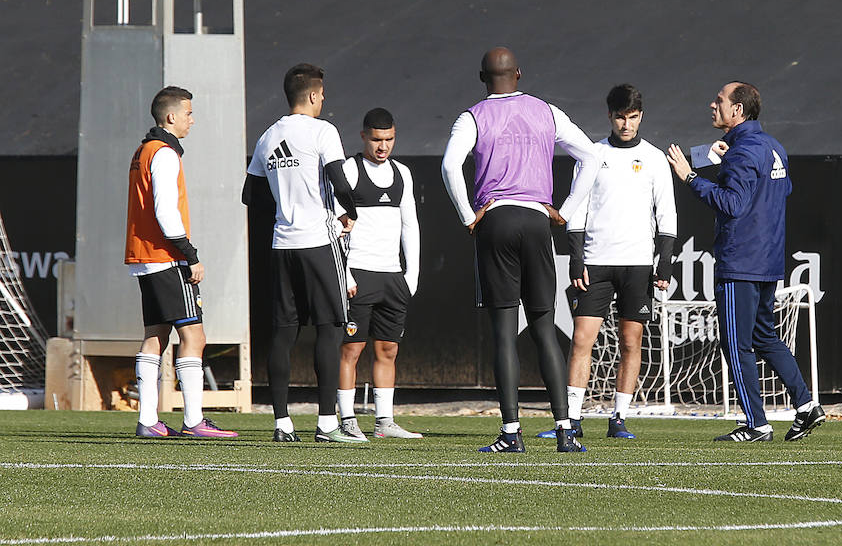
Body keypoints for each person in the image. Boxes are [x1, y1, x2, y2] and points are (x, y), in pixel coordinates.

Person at [442, 47, 600, 453]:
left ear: (482, 78)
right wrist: (564, 211)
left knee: (503, 333)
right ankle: (565, 430)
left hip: (495, 220)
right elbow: (591, 157)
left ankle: (511, 432)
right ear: (520, 74)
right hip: (535, 220)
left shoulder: (472, 116)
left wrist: (467, 215)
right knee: (545, 329)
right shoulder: (546, 111)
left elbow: (449, 166)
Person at [666, 81, 825, 442]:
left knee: (736, 344)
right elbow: (780, 191)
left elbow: (732, 204)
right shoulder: (773, 147)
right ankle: (805, 405)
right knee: (766, 336)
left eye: (720, 101)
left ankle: (756, 423)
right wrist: (708, 155)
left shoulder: (741, 153)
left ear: (737, 110)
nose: (713, 104)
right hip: (768, 259)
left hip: (741, 261)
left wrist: (690, 177)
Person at [536, 84, 676, 441]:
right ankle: (571, 420)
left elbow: (667, 214)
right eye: (619, 117)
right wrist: (576, 258)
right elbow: (577, 208)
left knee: (632, 341)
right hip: (596, 263)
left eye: (632, 117)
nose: (625, 124)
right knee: (582, 339)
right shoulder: (591, 155)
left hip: (638, 264)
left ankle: (619, 419)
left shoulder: (655, 158)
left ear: (640, 116)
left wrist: (665, 264)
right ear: (609, 116)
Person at [243, 63, 364, 443]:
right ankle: (328, 424)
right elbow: (340, 181)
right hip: (318, 243)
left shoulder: (268, 136)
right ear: (313, 95)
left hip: (283, 245)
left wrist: (285, 207)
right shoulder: (322, 131)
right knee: (329, 329)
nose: (323, 99)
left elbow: (250, 196)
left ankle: (282, 424)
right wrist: (352, 213)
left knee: (283, 334)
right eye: (322, 93)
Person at [125, 86, 237, 439]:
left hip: (143, 256)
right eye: (188, 113)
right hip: (166, 257)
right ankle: (193, 420)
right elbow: (165, 211)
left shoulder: (143, 150)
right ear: (171, 116)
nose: (192, 119)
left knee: (155, 335)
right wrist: (191, 255)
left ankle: (148, 420)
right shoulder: (165, 153)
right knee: (194, 336)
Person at [334, 108, 422, 441]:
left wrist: (411, 275)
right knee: (351, 350)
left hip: (392, 276)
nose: (382, 146)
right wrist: (346, 275)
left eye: (388, 139)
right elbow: (336, 225)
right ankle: (347, 420)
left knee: (388, 350)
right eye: (376, 139)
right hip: (358, 273)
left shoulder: (403, 172)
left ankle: (385, 421)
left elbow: (410, 224)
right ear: (363, 137)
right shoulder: (350, 170)